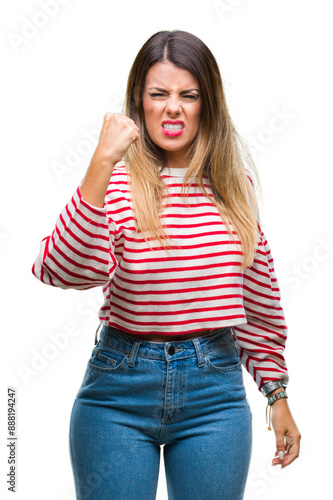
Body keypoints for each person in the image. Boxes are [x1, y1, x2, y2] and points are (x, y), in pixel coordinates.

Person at [32, 30, 301, 500]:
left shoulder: (234, 187)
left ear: (207, 105)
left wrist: (277, 395)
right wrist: (101, 161)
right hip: (118, 391)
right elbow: (60, 268)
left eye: (188, 95)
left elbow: (259, 300)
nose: (173, 107)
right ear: (140, 102)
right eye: (159, 94)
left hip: (214, 395)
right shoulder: (114, 186)